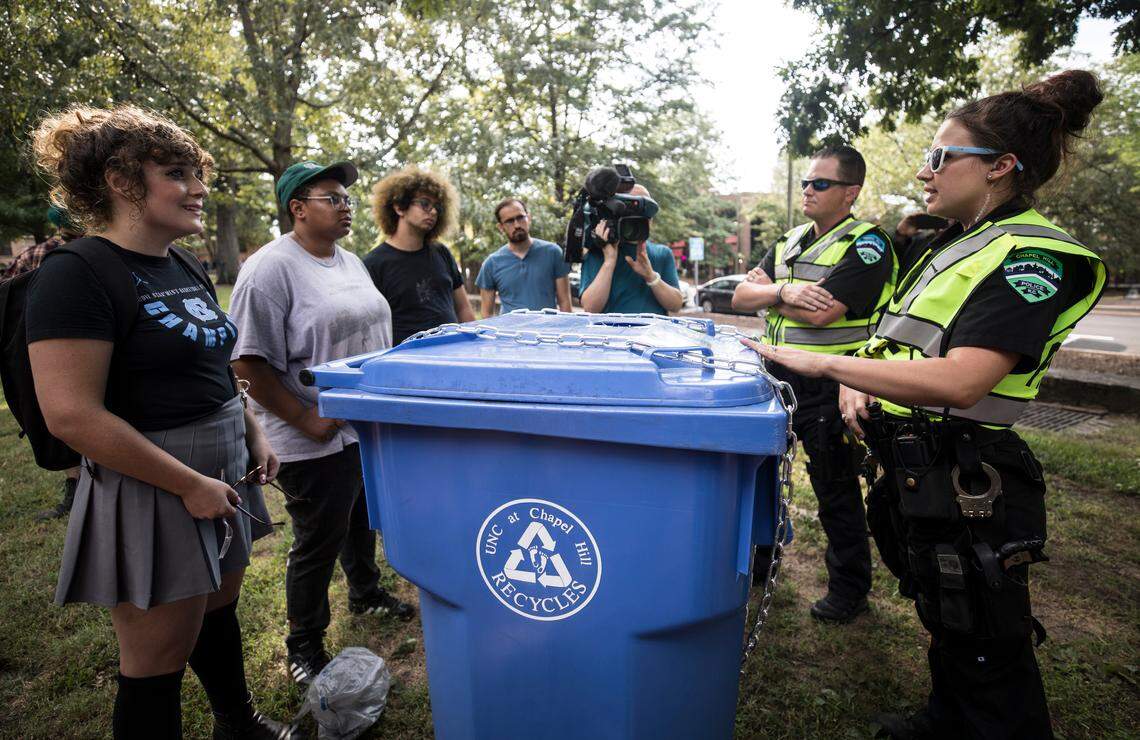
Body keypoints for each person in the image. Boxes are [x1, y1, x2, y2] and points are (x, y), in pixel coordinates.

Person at [744, 70, 1106, 738]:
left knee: (987, 635)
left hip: (974, 473)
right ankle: (947, 716)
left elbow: (965, 379)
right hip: (920, 466)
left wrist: (823, 363)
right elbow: (900, 340)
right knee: (945, 612)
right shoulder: (953, 242)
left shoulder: (1034, 255)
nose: (923, 171)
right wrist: (861, 380)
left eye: (941, 156)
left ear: (1001, 167)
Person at [27, 104, 288, 738]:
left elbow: (215, 360)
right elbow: (71, 415)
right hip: (154, 478)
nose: (199, 188)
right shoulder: (78, 274)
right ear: (121, 181)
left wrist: (250, 429)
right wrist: (187, 484)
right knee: (156, 658)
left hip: (224, 458)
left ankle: (239, 723)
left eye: (197, 173)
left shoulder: (185, 263)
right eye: (177, 173)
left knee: (218, 608)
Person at [229, 160, 414, 686]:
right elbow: (246, 363)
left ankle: (365, 590)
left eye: (347, 199)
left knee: (358, 512)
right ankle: (304, 644)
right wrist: (307, 419)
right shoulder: (269, 270)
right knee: (318, 538)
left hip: (356, 423)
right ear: (297, 208)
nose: (346, 206)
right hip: (306, 433)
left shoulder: (350, 261)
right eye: (332, 197)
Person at [733, 145, 896, 623]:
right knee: (762, 476)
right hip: (774, 376)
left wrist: (767, 295)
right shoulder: (790, 240)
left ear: (850, 193)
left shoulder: (867, 244)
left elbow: (824, 315)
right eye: (806, 181)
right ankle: (762, 562)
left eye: (820, 183)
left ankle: (849, 590)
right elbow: (741, 295)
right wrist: (783, 292)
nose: (808, 189)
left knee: (834, 488)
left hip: (830, 383)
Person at [2, 205, 85, 520]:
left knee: (63, 421)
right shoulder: (94, 254)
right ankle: (80, 489)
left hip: (38, 353)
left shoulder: (33, 255)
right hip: (73, 349)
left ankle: (76, 488)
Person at [363, 167, 476, 344]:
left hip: (454, 355)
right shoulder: (374, 264)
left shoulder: (441, 252)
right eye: (425, 204)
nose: (433, 211)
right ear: (400, 207)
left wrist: (475, 345)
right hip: (406, 363)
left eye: (437, 207)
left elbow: (463, 309)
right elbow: (371, 328)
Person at [579, 184, 683, 314]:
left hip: (650, 333)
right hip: (611, 333)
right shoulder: (599, 251)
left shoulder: (662, 253)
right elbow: (590, 308)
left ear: (650, 221)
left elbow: (676, 305)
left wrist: (650, 276)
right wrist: (609, 262)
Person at [476, 198, 571, 317]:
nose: (517, 225)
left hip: (547, 332)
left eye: (520, 217)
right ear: (501, 227)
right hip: (510, 333)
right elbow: (486, 314)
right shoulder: (491, 263)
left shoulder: (553, 253)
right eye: (510, 221)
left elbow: (565, 303)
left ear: (529, 218)